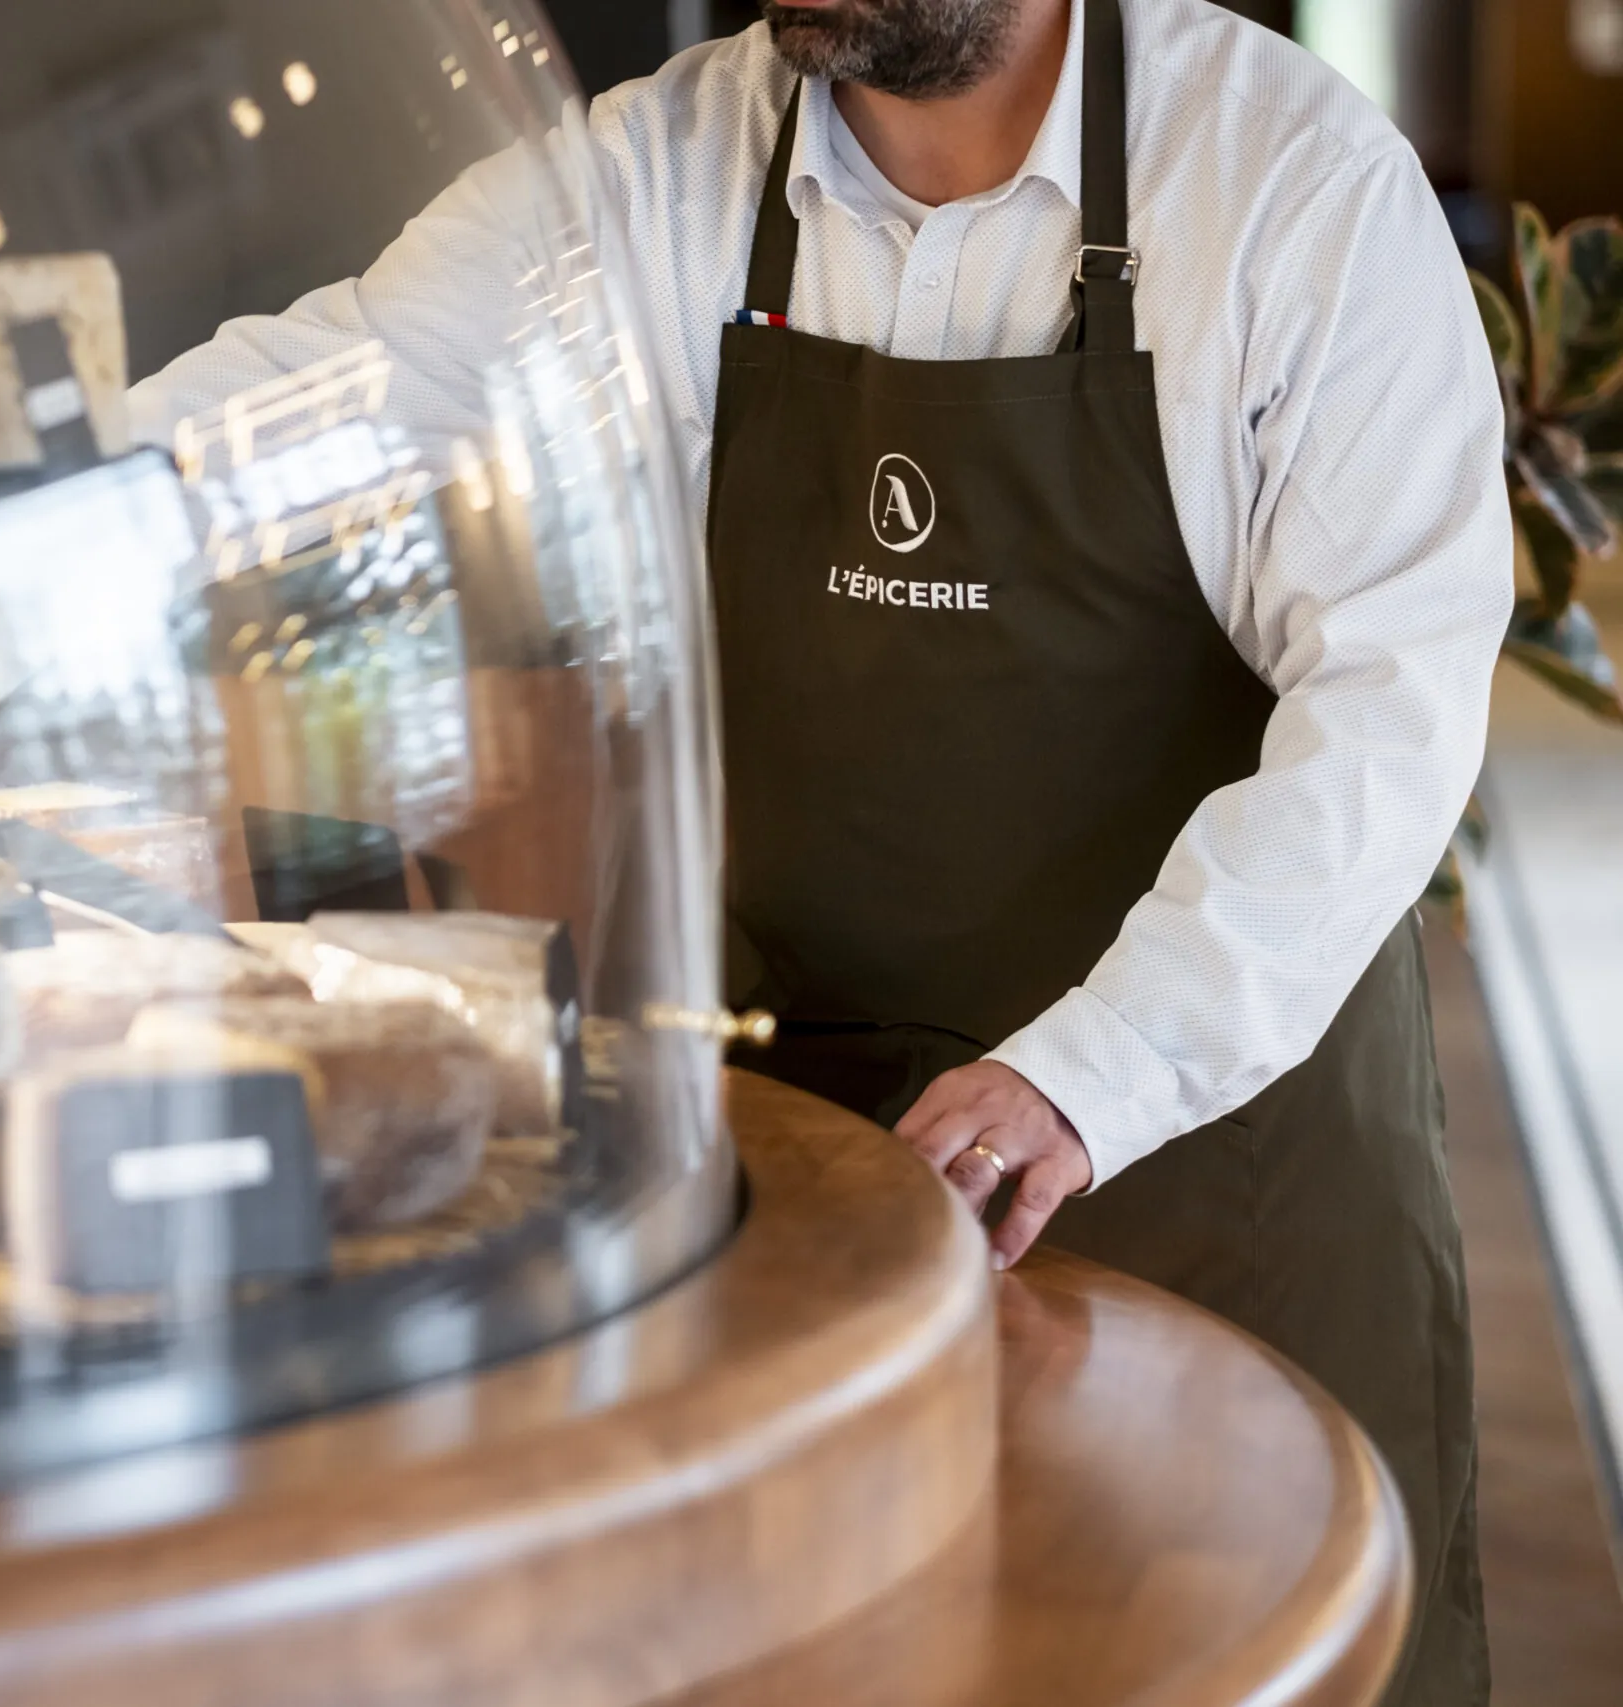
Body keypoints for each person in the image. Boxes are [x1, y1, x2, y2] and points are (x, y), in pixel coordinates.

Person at [133, 1, 1508, 1702]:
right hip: (835, 1172)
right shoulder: (662, 174)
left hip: (1216, 1158)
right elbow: (332, 393)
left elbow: (1394, 705)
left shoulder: (1289, 185)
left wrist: (1098, 1070)